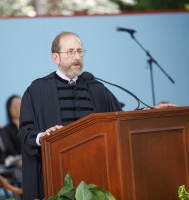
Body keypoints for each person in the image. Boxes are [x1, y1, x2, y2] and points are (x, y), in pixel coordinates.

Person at [18, 32, 123, 199]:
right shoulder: (37, 91)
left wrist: (150, 111)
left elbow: (120, 120)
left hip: (96, 172)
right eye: (71, 52)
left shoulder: (96, 88)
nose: (77, 57)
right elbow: (25, 133)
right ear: (56, 58)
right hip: (58, 175)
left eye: (80, 51)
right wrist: (43, 137)